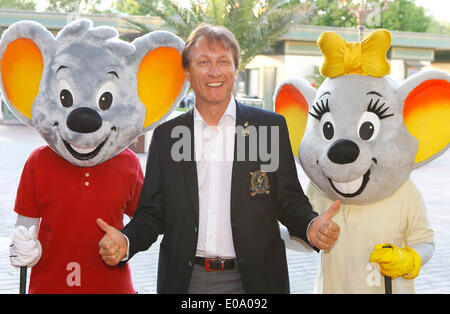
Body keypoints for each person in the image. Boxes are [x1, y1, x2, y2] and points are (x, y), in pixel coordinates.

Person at [97, 24, 341, 294]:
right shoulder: (167, 137)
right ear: (188, 73)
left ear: (235, 70)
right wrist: (127, 241)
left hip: (255, 280)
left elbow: (288, 200)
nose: (214, 71)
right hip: (187, 281)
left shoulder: (268, 128)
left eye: (223, 61)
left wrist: (310, 224)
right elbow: (153, 214)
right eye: (203, 62)